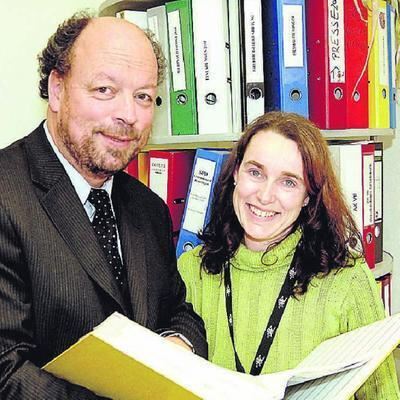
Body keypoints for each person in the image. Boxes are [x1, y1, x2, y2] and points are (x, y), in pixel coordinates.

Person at [0, 12, 207, 399]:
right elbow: (6, 371)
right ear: (57, 90)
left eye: (143, 96)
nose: (128, 115)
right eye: (105, 90)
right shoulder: (6, 194)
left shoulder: (149, 208)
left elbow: (178, 311)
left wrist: (177, 347)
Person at [178, 111, 400, 398]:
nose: (265, 196)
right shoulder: (192, 269)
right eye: (255, 172)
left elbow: (382, 394)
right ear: (235, 173)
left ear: (308, 196)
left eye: (288, 182)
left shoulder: (346, 279)